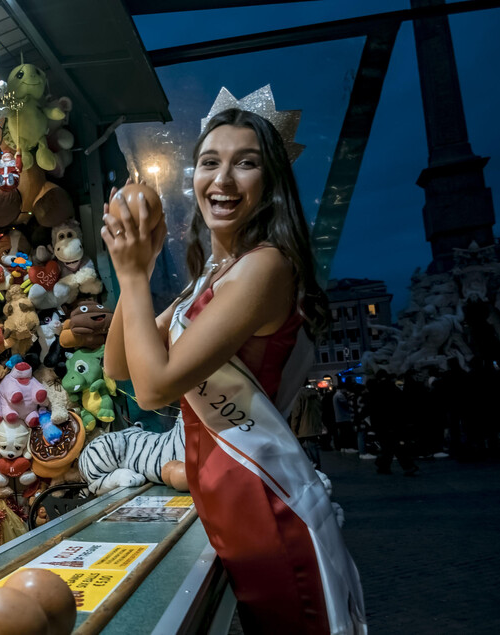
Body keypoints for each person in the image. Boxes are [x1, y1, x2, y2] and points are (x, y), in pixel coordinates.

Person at [101, 108, 366, 634]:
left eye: (244, 163)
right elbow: (119, 365)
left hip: (266, 509)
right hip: (231, 508)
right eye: (208, 163)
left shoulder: (266, 266)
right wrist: (142, 269)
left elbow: (152, 389)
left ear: (270, 182)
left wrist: (131, 276)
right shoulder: (210, 278)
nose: (221, 180)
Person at [366, 372, 419, 476]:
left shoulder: (375, 391)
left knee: (389, 446)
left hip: (381, 424)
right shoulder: (393, 389)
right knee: (394, 446)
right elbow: (401, 405)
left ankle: (383, 465)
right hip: (393, 423)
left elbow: (371, 408)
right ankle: (405, 466)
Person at [333, 379, 357, 453]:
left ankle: (343, 447)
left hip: (339, 418)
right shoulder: (340, 395)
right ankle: (347, 447)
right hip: (344, 418)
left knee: (343, 434)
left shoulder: (336, 395)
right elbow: (346, 405)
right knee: (346, 434)